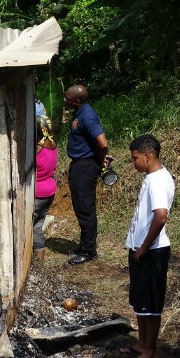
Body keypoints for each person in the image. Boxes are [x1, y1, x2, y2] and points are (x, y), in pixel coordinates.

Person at [120, 134, 174, 358]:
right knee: (141, 302)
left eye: (135, 158)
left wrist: (143, 248)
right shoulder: (152, 177)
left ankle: (150, 352)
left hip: (152, 252)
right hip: (141, 250)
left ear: (148, 156)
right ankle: (142, 344)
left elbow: (161, 216)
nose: (133, 163)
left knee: (151, 305)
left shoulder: (158, 180)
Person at [64, 85, 111, 265]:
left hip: (86, 166)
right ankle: (85, 246)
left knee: (85, 209)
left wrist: (101, 159)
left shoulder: (88, 116)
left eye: (67, 98)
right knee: (80, 206)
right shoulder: (80, 113)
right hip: (80, 165)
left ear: (77, 101)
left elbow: (102, 142)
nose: (65, 100)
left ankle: (89, 251)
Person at [33, 115, 57, 260]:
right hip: (49, 189)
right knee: (39, 222)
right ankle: (38, 258)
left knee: (35, 227)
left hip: (38, 192)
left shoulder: (38, 148)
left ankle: (39, 260)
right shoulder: (53, 143)